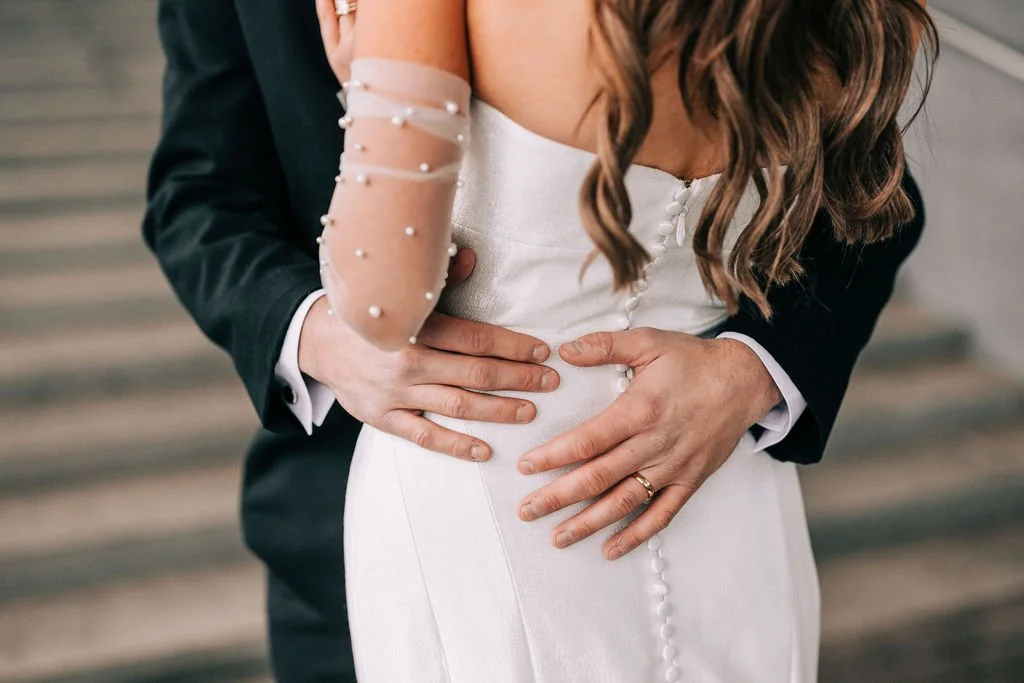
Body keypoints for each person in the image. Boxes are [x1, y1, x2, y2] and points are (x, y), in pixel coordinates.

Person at [144, 0, 933, 681]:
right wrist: (316, 336)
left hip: (497, 498)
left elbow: (875, 207)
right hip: (722, 524)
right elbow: (197, 194)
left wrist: (754, 368)